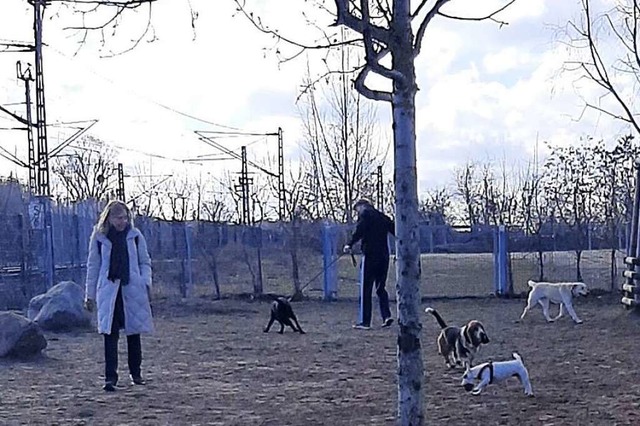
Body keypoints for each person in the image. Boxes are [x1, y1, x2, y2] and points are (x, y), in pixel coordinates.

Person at [84, 200, 154, 392]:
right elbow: (93, 267)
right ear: (109, 218)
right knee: (110, 334)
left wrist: (145, 281)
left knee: (134, 332)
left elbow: (144, 262)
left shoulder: (135, 236)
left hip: (132, 289)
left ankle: (136, 374)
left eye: (124, 217)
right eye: (118, 218)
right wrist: (89, 295)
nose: (122, 221)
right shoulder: (99, 238)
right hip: (109, 291)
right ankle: (110, 378)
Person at [343, 198, 395, 330]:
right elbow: (395, 231)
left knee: (366, 289)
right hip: (384, 256)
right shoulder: (383, 217)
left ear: (362, 206)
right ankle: (386, 316)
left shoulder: (365, 215)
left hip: (370, 255)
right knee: (380, 288)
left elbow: (359, 231)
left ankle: (365, 322)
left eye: (357, 210)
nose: (357, 213)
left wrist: (349, 244)